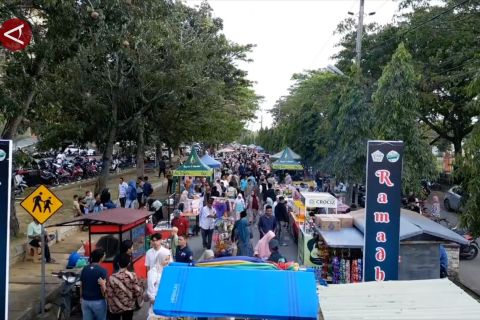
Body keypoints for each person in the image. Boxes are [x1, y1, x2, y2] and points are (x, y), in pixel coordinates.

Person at [105, 253, 144, 320]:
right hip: (129, 306)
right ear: (129, 264)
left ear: (118, 264)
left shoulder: (112, 277)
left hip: (116, 307)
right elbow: (137, 291)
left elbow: (109, 294)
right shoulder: (133, 275)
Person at [80, 248, 108, 320]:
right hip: (98, 302)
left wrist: (81, 297)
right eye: (104, 256)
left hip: (85, 301)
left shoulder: (85, 269)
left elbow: (81, 285)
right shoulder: (102, 271)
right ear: (101, 258)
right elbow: (103, 289)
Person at [147, 249, 171, 320]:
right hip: (157, 301)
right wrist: (153, 300)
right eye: (165, 259)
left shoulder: (167, 269)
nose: (168, 262)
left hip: (166, 299)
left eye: (168, 259)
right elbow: (151, 288)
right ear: (160, 259)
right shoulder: (153, 272)